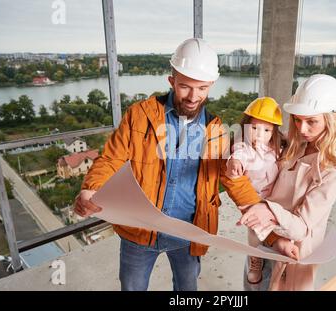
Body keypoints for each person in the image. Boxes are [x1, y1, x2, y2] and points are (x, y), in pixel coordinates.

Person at [73, 38, 261, 291]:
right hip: (138, 230)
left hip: (188, 231)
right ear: (171, 80)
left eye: (203, 88)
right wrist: (92, 188)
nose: (194, 97)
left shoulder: (215, 129)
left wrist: (253, 206)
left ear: (211, 85)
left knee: (186, 291)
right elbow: (111, 158)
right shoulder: (139, 116)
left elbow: (231, 176)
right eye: (185, 87)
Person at [239, 74, 336, 290]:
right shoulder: (293, 143)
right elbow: (251, 138)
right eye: (297, 119)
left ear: (330, 119)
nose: (302, 129)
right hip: (262, 236)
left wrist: (267, 208)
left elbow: (301, 227)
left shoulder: (335, 169)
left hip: (292, 252)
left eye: (312, 122)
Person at [225, 97, 299, 285]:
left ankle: (275, 256)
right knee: (255, 231)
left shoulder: (276, 148)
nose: (259, 134)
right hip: (254, 198)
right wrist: (235, 163)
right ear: (246, 126)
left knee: (277, 228)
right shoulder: (246, 147)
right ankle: (255, 258)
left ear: (273, 131)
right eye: (255, 128)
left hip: (273, 199)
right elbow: (238, 155)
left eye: (266, 130)